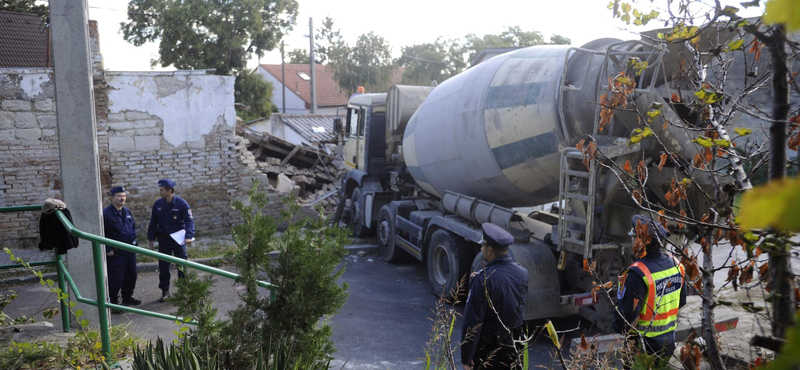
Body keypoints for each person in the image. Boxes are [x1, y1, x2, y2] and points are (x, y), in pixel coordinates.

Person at [613, 214, 686, 365]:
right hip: (668, 343)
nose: (632, 241)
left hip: (642, 347)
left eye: (634, 237)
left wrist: (616, 325)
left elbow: (627, 318)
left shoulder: (637, 273)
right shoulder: (677, 265)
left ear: (640, 242)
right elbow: (681, 302)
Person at [461, 223, 529, 370]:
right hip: (515, 346)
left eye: (483, 245)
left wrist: (466, 357)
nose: (481, 248)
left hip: (490, 351)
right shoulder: (523, 273)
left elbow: (472, 322)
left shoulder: (483, 280)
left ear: (489, 249)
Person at [147, 179, 195, 302]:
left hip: (178, 239)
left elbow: (189, 221)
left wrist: (189, 236)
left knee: (182, 265)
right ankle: (165, 291)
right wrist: (151, 237)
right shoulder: (158, 204)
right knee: (163, 266)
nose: (160, 192)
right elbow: (153, 222)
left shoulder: (181, 204)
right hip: (164, 239)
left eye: (162, 190)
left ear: (170, 191)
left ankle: (184, 291)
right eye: (160, 190)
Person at [103, 186, 141, 313]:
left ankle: (127, 297)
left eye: (124, 196)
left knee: (131, 275)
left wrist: (135, 244)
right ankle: (113, 302)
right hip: (116, 253)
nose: (122, 198)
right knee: (116, 278)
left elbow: (133, 229)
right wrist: (108, 249)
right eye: (119, 196)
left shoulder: (127, 212)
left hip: (130, 251)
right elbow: (103, 233)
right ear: (111, 198)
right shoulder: (106, 214)